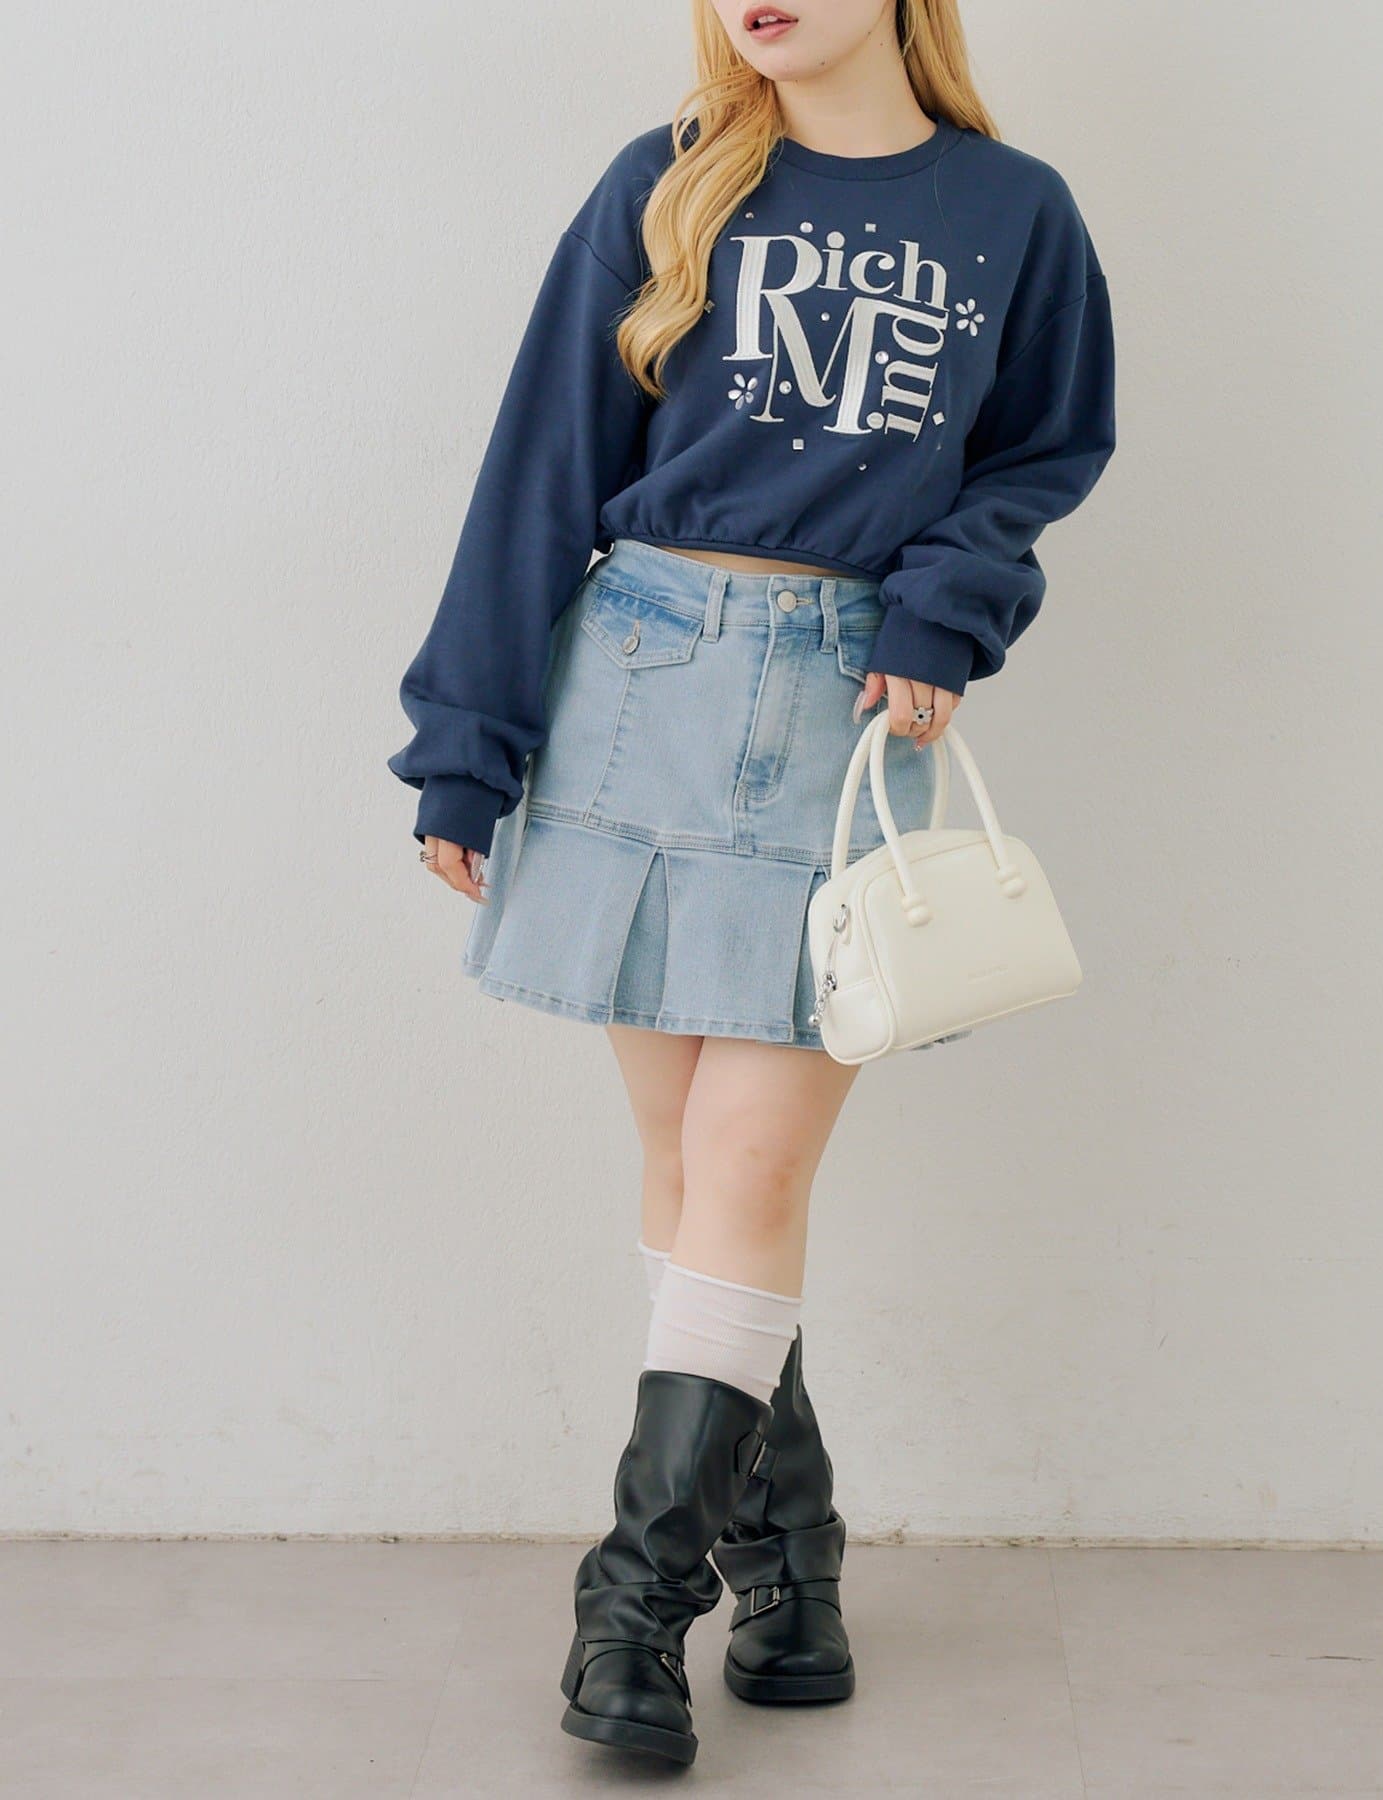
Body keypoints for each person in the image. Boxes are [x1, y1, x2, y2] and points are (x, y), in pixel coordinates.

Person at [388, 0, 1115, 1767]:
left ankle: (632, 1604)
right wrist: (468, 736)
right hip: (633, 686)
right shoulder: (668, 182)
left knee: (751, 1163)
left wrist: (947, 610)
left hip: (845, 713)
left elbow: (1042, 451)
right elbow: (542, 464)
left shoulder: (1013, 210)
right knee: (688, 1170)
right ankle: (790, 1556)